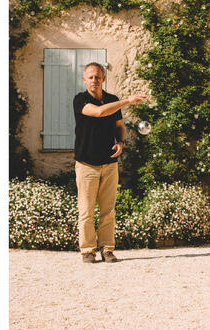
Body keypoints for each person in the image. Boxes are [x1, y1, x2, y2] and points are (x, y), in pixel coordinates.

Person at [73, 62, 147, 263]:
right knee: (86, 211)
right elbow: (99, 112)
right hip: (87, 164)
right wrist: (128, 101)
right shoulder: (80, 99)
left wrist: (121, 142)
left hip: (109, 163)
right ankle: (88, 251)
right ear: (84, 79)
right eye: (90, 77)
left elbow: (119, 126)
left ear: (103, 79)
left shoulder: (113, 100)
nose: (94, 80)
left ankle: (107, 249)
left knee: (108, 210)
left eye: (97, 77)